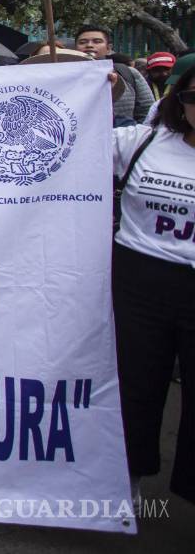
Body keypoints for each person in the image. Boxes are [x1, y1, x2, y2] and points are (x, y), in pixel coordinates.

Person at [111, 61, 195, 506]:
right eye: (193, 96)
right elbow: (69, 141)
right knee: (136, 382)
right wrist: (83, 96)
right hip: (140, 279)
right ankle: (128, 474)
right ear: (178, 101)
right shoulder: (143, 142)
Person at [76, 25, 154, 125]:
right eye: (83, 42)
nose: (89, 45)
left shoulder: (129, 73)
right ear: (75, 48)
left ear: (108, 48)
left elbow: (147, 110)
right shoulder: (67, 77)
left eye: (97, 41)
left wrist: (138, 136)